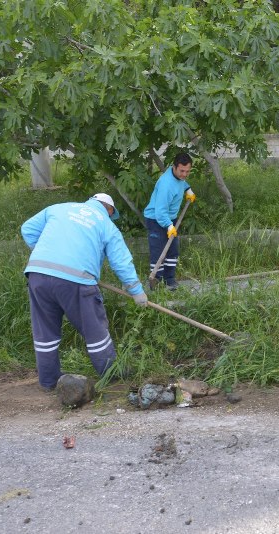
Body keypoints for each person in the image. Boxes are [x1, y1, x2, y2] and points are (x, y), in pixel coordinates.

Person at [21, 193, 148, 391]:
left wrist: (48, 256)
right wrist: (136, 291)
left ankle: (49, 382)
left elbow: (27, 229)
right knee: (94, 328)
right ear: (109, 210)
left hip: (38, 274)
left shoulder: (58, 208)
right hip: (76, 280)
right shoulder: (106, 225)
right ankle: (111, 375)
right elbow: (121, 261)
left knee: (45, 331)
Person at [143, 153, 196, 290]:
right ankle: (156, 282)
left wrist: (188, 189)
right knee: (159, 252)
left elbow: (181, 183)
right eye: (182, 171)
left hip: (169, 219)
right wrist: (168, 225)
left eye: (187, 171)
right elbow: (160, 212)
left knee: (172, 251)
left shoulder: (177, 176)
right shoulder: (166, 185)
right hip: (156, 220)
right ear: (174, 167)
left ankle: (169, 279)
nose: (184, 174)